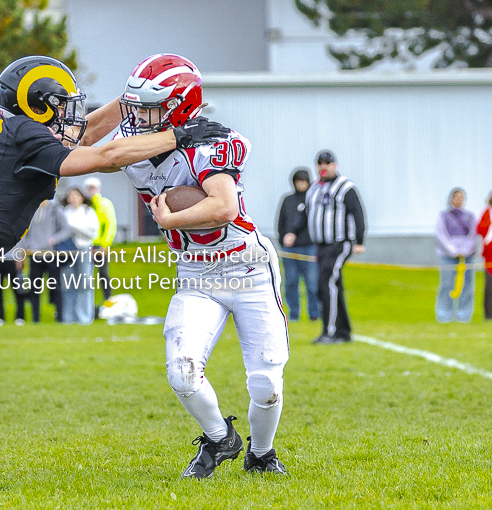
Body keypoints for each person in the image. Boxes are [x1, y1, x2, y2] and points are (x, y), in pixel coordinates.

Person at [0, 55, 229, 483]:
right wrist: (175, 135)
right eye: (62, 105)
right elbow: (101, 156)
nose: (71, 114)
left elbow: (86, 132)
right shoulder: (28, 135)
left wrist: (131, 102)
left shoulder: (15, 128)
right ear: (38, 105)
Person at [110, 53, 289, 477]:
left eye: (147, 107)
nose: (136, 116)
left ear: (179, 107)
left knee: (265, 384)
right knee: (182, 372)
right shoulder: (136, 140)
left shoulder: (210, 143)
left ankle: (262, 455)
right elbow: (97, 151)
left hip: (246, 266)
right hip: (196, 271)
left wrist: (170, 219)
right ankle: (218, 438)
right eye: (133, 106)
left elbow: (224, 206)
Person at [303, 150, 366, 344]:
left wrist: (360, 241)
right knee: (334, 285)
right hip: (320, 245)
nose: (323, 166)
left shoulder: (345, 187)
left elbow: (358, 213)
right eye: (320, 163)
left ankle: (329, 332)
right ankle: (344, 332)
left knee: (325, 283)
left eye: (327, 163)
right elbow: (306, 215)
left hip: (339, 243)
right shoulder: (314, 189)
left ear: (335, 165)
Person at [277, 168, 320, 322]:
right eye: (298, 181)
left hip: (308, 248)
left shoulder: (313, 199)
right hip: (289, 250)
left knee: (312, 284)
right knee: (291, 283)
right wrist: (283, 240)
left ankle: (315, 314)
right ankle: (293, 314)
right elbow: (281, 222)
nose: (301, 184)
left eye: (304, 181)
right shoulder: (287, 200)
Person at [18, 199, 70, 322]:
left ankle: (60, 318)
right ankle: (35, 319)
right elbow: (25, 232)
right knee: (34, 288)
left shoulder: (55, 210)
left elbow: (66, 229)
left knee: (55, 287)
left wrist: (54, 239)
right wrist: (24, 248)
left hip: (51, 254)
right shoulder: (31, 209)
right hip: (35, 255)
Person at [435, 188, 477, 323]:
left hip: (467, 255)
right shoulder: (444, 216)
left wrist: (465, 250)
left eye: (461, 197)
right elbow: (440, 235)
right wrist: (453, 250)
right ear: (451, 199)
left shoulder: (469, 216)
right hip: (448, 255)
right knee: (447, 285)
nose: (459, 200)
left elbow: (472, 235)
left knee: (467, 286)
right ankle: (444, 315)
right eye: (456, 197)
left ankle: (464, 315)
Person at [59, 187, 99, 324]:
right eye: (70, 196)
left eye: (76, 195)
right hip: (68, 252)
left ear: (81, 197)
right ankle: (69, 317)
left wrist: (72, 228)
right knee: (68, 284)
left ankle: (85, 317)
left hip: (84, 250)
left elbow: (92, 233)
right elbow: (61, 232)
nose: (73, 198)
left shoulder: (88, 212)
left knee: (85, 284)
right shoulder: (64, 213)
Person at [84, 177, 117, 305]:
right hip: (87, 245)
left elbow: (110, 225)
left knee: (103, 274)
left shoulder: (105, 204)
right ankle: (88, 304)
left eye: (93, 188)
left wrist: (105, 245)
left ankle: (107, 300)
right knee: (86, 275)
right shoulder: (86, 205)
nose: (91, 191)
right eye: (89, 188)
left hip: (100, 245)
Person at [0, 255, 27, 326]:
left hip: (12, 260)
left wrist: (20, 258)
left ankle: (20, 316)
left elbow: (20, 244)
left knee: (18, 290)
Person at [477, 191, 492, 320]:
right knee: (489, 287)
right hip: (490, 256)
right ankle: (489, 314)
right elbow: (480, 228)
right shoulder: (487, 212)